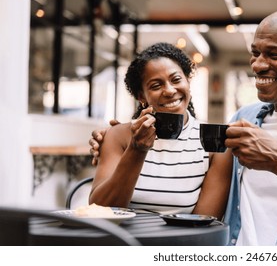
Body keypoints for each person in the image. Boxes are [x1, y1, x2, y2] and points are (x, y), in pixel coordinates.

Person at [90, 7, 277, 246]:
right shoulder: (244, 119)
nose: (259, 65)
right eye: (256, 53)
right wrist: (113, 139)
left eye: (274, 54)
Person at [88, 42, 232, 219]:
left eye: (176, 79)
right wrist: (136, 149)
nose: (170, 90)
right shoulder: (118, 135)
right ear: (141, 97)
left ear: (188, 81)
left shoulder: (213, 141)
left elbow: (203, 223)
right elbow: (99, 209)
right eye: (156, 86)